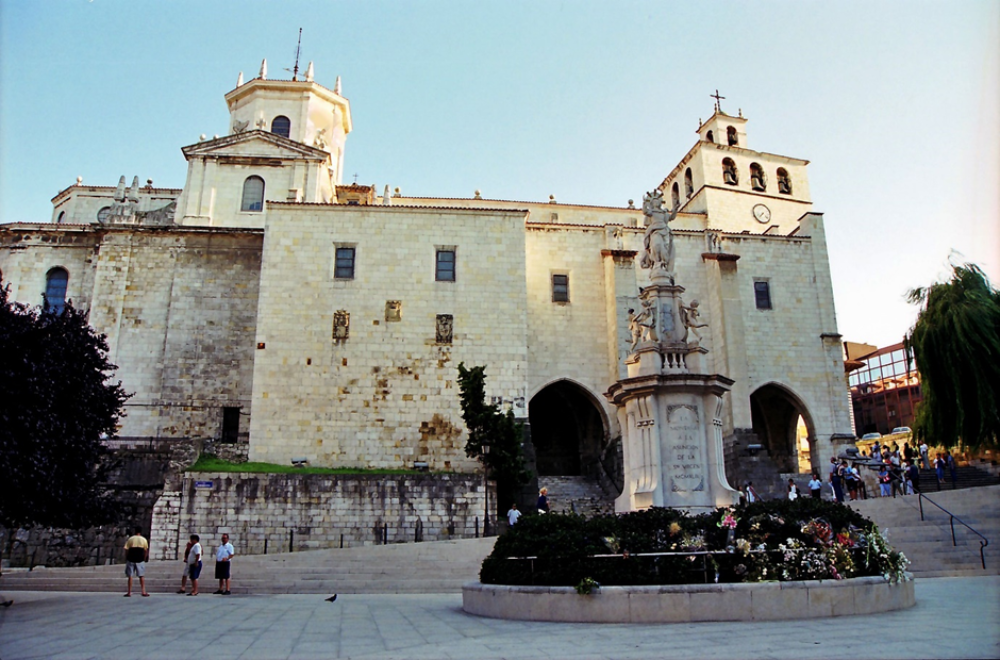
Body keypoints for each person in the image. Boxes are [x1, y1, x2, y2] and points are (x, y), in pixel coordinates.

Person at [123, 527, 149, 597]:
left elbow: (126, 549)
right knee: (141, 576)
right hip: (140, 558)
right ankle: (143, 591)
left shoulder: (131, 539)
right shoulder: (143, 539)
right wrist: (144, 558)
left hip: (131, 558)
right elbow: (145, 550)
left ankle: (129, 592)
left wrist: (127, 557)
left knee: (130, 576)